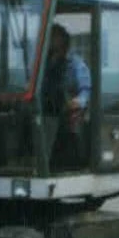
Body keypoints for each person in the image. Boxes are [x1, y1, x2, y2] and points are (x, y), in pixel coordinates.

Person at [43, 23, 91, 167]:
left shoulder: (76, 65)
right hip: (46, 111)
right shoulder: (44, 64)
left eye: (54, 37)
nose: (51, 41)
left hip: (67, 113)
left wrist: (78, 101)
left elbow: (86, 90)